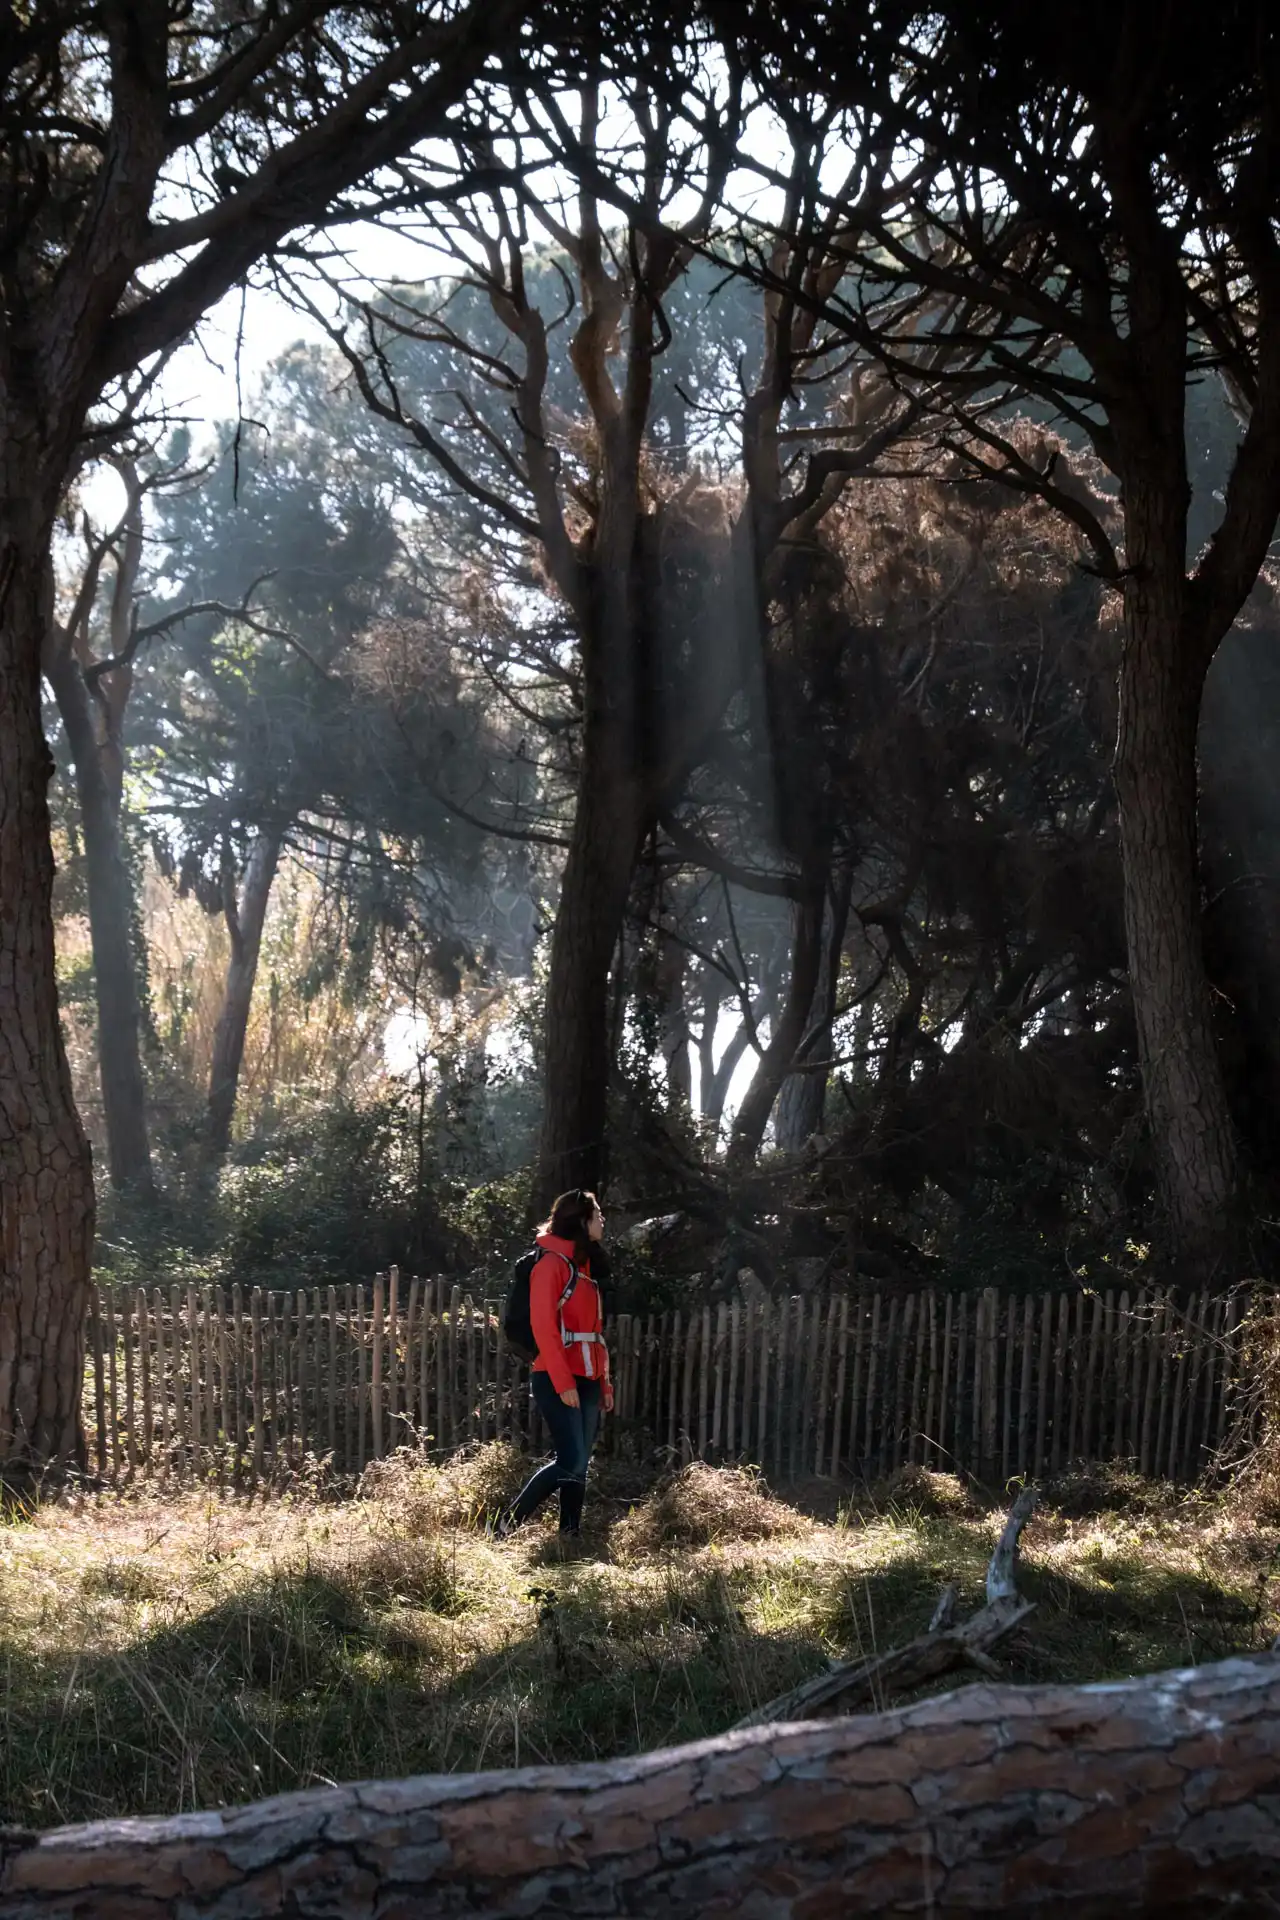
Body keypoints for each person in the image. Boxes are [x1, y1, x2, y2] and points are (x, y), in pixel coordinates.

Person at [497, 1188, 614, 1542]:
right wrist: (563, 1382)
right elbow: (543, 1327)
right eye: (597, 1213)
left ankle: (569, 1536)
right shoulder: (549, 1264)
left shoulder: (585, 1265)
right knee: (572, 1460)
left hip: (590, 1375)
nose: (603, 1219)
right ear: (581, 1220)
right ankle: (504, 1527)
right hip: (554, 1375)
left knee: (579, 1463)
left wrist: (604, 1384)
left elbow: (593, 1333)